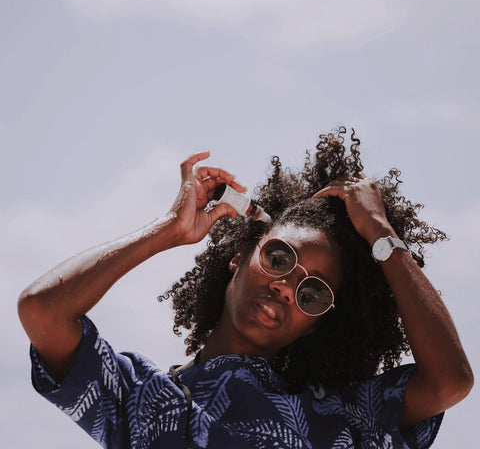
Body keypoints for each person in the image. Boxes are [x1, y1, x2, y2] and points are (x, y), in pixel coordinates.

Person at [18, 128, 473, 449]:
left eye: (312, 294)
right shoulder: (143, 400)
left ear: (315, 326)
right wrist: (168, 230)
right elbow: (42, 312)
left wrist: (380, 234)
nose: (286, 290)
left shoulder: (346, 413)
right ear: (239, 255)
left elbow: (450, 381)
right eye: (279, 258)